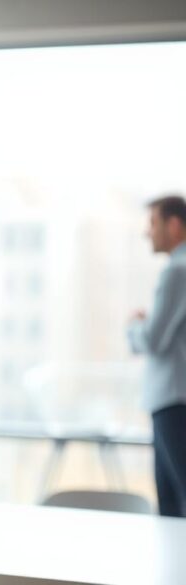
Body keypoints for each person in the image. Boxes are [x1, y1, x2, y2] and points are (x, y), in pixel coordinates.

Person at [128, 193, 186, 517]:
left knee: (172, 502)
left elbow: (153, 340)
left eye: (153, 223)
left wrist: (134, 326)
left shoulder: (176, 271)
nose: (147, 232)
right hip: (175, 401)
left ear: (174, 224)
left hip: (173, 402)